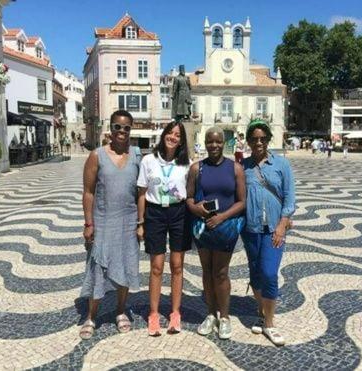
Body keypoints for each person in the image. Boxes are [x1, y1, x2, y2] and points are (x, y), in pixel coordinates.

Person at [78, 110, 142, 339]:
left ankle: (120, 310)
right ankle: (91, 315)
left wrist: (140, 222)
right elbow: (88, 192)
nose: (122, 132)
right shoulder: (97, 155)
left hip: (128, 220)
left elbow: (141, 191)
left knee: (125, 265)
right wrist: (89, 223)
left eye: (126, 128)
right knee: (98, 268)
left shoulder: (136, 154)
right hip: (103, 220)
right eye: (118, 127)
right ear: (110, 128)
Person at [187, 126, 246, 340]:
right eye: (210, 142)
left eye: (218, 142)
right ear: (205, 142)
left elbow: (242, 202)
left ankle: (225, 317)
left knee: (221, 272)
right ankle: (210, 314)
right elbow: (189, 198)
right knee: (206, 271)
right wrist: (196, 209)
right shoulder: (197, 169)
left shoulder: (235, 169)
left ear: (224, 143)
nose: (214, 146)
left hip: (225, 227)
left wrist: (221, 217)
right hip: (203, 229)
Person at [241, 120, 296, 347]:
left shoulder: (281, 164)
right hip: (250, 228)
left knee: (269, 273)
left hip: (274, 228)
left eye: (263, 138)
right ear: (248, 141)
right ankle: (262, 313)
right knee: (255, 272)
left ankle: (270, 324)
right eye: (254, 138)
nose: (259, 142)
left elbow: (290, 196)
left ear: (268, 139)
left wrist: (283, 224)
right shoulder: (243, 166)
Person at [136, 121, 192, 336]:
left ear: (181, 140)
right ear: (164, 135)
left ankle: (175, 312)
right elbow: (141, 193)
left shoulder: (186, 163)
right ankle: (153, 313)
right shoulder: (148, 160)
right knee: (156, 266)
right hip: (155, 213)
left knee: (177, 265)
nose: (173, 137)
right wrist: (140, 223)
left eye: (177, 134)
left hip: (179, 214)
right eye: (170, 133)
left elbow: (192, 191)